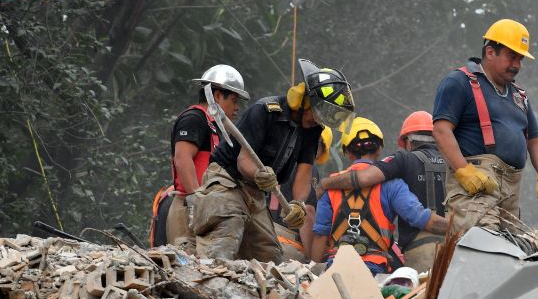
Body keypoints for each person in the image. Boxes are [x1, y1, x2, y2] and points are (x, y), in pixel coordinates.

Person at [191, 59, 355, 262]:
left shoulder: (313, 131)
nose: (317, 120)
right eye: (317, 112)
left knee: (269, 255)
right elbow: (244, 161)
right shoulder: (265, 111)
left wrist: (299, 204)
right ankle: (206, 275)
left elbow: (303, 175)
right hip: (227, 181)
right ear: (304, 100)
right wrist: (258, 174)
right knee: (226, 233)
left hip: (255, 191)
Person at [431, 18, 538, 233]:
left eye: (520, 58)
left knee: (511, 251)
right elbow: (441, 130)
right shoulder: (459, 82)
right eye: (512, 56)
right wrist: (464, 171)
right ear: (490, 52)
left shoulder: (519, 96)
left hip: (511, 189)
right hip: (475, 187)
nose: (517, 65)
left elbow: (535, 139)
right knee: (485, 247)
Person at [311, 117, 449, 275]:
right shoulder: (393, 184)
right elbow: (420, 218)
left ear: (347, 152)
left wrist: (312, 272)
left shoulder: (330, 186)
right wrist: (460, 228)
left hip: (336, 266)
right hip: (374, 267)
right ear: (379, 149)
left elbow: (320, 235)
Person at [149, 65, 249, 248]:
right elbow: (182, 158)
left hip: (207, 209)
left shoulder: (217, 127)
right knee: (185, 266)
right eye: (234, 101)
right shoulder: (194, 119)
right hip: (189, 209)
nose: (237, 108)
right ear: (217, 96)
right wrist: (197, 200)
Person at [271, 126, 333, 262]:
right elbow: (307, 214)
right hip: (286, 245)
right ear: (321, 149)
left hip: (262, 237)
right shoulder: (307, 168)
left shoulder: (277, 158)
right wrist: (313, 259)